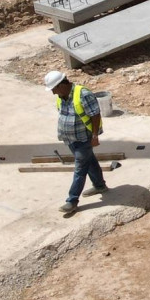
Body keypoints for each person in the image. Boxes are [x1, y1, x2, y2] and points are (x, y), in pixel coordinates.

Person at [45, 70, 106, 214]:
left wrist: (95, 136)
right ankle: (100, 185)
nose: (53, 93)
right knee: (89, 161)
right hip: (70, 139)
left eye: (54, 89)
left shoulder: (83, 94)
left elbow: (95, 114)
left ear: (61, 85)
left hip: (84, 139)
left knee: (80, 169)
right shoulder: (61, 96)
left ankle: (72, 201)